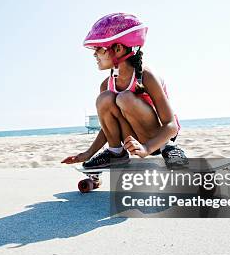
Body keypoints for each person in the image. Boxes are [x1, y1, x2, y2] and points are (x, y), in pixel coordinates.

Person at [61, 13, 188, 169]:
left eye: (99, 49)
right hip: (133, 141)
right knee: (105, 98)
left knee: (125, 98)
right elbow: (108, 126)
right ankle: (116, 153)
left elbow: (171, 125)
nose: (94, 54)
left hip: (158, 138)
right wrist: (88, 153)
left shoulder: (146, 76)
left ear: (118, 48)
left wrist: (147, 148)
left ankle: (168, 148)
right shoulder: (106, 85)